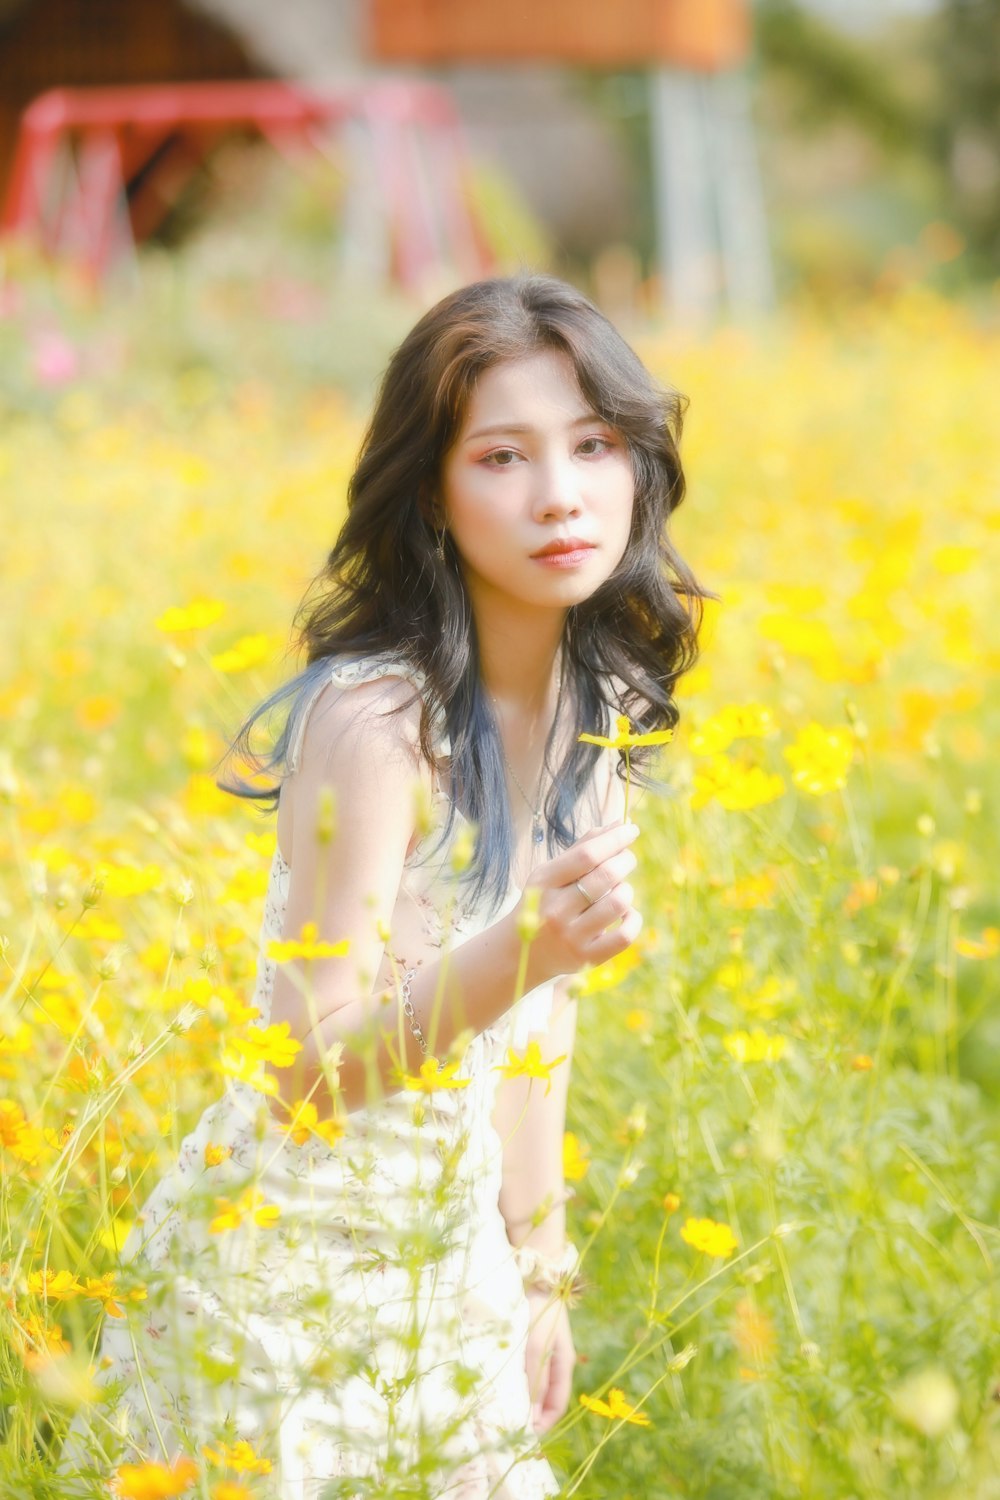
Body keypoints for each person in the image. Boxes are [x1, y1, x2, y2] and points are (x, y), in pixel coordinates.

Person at [58, 273, 707, 1498]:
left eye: (593, 445)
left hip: (441, 1256)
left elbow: (536, 1038)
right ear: (430, 496)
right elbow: (308, 1073)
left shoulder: (599, 712)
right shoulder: (372, 722)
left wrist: (540, 1273)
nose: (561, 495)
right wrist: (528, 946)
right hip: (277, 1274)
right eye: (503, 457)